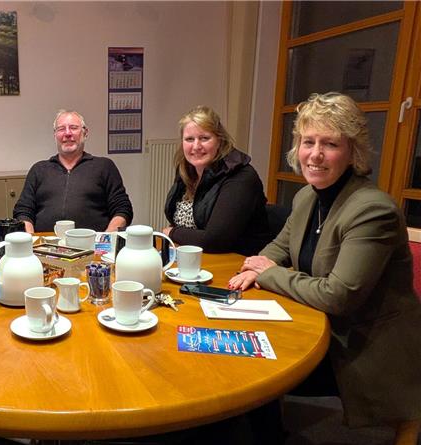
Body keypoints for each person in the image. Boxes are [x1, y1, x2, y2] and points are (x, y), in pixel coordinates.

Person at [228, 92, 421, 430]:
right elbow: (279, 247)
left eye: (329, 144)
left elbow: (337, 295)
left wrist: (269, 274)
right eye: (308, 142)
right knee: (232, 346)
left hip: (360, 349)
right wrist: (253, 266)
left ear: (352, 152)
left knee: (251, 369)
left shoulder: (373, 210)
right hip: (320, 326)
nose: (315, 154)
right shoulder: (307, 196)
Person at [162, 105, 270, 255]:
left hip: (237, 262)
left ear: (219, 140)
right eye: (189, 139)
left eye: (204, 138)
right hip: (194, 257)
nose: (196, 146)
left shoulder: (241, 176)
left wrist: (173, 233)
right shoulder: (187, 170)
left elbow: (215, 241)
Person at [13, 109, 133, 232]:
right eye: (61, 129)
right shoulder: (38, 170)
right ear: (55, 135)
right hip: (44, 246)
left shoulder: (104, 167)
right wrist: (30, 241)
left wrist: (105, 239)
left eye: (73, 128)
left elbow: (122, 209)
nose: (67, 133)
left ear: (85, 133)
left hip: (93, 245)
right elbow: (23, 211)